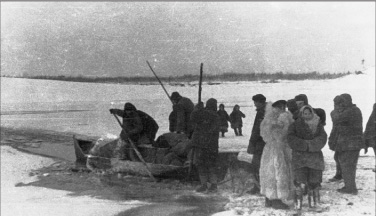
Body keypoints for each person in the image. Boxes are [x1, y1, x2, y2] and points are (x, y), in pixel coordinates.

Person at [287, 105, 327, 209]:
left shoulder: (318, 125)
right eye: (305, 113)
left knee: (314, 181)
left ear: (312, 113)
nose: (307, 115)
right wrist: (304, 144)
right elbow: (291, 138)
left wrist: (312, 144)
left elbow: (323, 137)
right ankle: (298, 203)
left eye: (309, 113)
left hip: (314, 157)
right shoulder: (295, 125)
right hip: (300, 157)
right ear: (301, 114)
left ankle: (314, 202)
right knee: (299, 181)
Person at [260, 100, 294, 210]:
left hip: (277, 149)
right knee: (276, 173)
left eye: (284, 106)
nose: (283, 109)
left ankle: (270, 198)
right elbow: (273, 135)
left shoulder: (278, 118)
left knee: (273, 173)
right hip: (275, 150)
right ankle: (275, 199)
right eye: (280, 107)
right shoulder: (271, 120)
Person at [328, 93, 364, 194]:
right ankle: (349, 186)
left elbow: (336, 118)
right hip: (348, 144)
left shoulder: (352, 111)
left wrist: (335, 109)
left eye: (342, 102)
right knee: (346, 165)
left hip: (350, 144)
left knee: (348, 166)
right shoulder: (352, 110)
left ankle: (350, 188)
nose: (340, 105)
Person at [189, 98, 220, 193]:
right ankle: (213, 185)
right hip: (212, 145)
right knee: (211, 165)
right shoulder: (216, 116)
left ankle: (204, 184)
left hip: (202, 144)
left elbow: (192, 118)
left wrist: (197, 109)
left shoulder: (203, 114)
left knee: (201, 165)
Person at [247, 94, 267, 194]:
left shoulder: (262, 112)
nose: (254, 104)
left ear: (260, 102)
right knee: (260, 165)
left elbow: (257, 130)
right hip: (263, 143)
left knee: (257, 165)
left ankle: (258, 186)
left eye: (255, 102)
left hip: (260, 143)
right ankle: (259, 186)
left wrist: (252, 143)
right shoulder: (265, 111)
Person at [328, 95, 344, 182]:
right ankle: (339, 174)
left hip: (341, 138)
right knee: (337, 156)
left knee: (339, 157)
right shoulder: (335, 112)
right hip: (337, 137)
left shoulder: (340, 112)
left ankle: (340, 175)